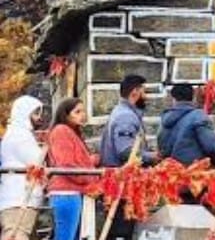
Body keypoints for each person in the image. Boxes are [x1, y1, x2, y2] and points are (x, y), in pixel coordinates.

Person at [98, 74, 158, 240]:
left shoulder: (122, 113)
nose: (147, 97)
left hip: (120, 184)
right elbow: (126, 151)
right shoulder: (126, 116)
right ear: (135, 92)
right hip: (123, 186)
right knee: (122, 230)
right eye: (144, 92)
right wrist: (152, 157)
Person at [47, 98, 99, 240]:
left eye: (83, 111)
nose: (83, 115)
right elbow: (66, 165)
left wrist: (92, 160)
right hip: (67, 192)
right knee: (66, 237)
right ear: (66, 114)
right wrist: (90, 181)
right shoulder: (61, 131)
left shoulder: (70, 132)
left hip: (71, 192)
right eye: (77, 112)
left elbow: (75, 160)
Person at [0, 96, 44, 240]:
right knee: (17, 235)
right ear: (25, 113)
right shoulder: (20, 136)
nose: (39, 118)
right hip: (19, 198)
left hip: (19, 198)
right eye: (35, 113)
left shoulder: (16, 134)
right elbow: (37, 161)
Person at [157, 84, 215, 166]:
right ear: (193, 97)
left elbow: (161, 147)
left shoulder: (165, 118)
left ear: (174, 99)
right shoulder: (198, 116)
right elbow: (211, 147)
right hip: (195, 169)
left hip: (170, 169)